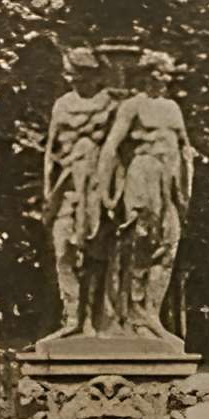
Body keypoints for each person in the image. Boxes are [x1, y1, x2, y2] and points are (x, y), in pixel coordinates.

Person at [101, 50, 194, 337]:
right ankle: (134, 313)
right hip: (144, 173)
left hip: (170, 180)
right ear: (145, 76)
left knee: (168, 245)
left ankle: (152, 313)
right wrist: (107, 192)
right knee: (141, 240)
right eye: (157, 74)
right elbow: (111, 147)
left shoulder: (172, 108)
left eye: (167, 76)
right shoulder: (133, 106)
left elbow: (184, 146)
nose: (162, 81)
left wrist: (186, 185)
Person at [41, 45, 122, 335]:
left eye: (80, 75)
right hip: (67, 188)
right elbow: (51, 151)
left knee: (94, 256)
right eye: (71, 75)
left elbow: (120, 151)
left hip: (98, 192)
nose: (75, 81)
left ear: (94, 75)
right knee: (64, 251)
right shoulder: (62, 104)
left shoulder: (110, 104)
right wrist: (48, 193)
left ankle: (94, 320)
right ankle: (72, 317)